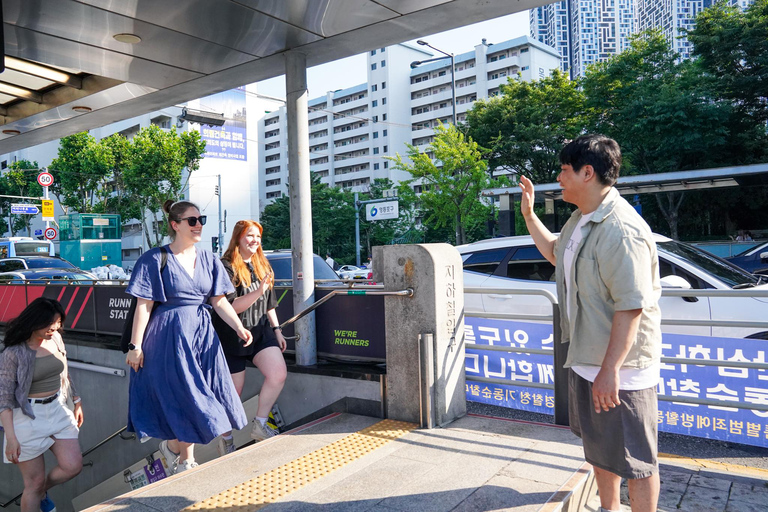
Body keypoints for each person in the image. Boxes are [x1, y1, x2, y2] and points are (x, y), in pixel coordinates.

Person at [519, 135, 661, 512]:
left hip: (621, 372)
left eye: (565, 171)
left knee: (637, 460)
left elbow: (631, 308)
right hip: (588, 360)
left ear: (588, 172)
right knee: (600, 449)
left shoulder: (622, 229)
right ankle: (608, 508)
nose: (559, 178)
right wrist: (530, 216)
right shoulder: (580, 219)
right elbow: (554, 252)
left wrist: (610, 370)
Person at [125, 200, 253, 475]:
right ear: (175, 225)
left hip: (203, 334)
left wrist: (238, 327)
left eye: (201, 219)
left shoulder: (208, 258)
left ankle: (175, 450)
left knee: (207, 392)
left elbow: (219, 300)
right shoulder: (154, 259)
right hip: (169, 335)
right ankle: (186, 459)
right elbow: (144, 305)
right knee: (188, 395)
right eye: (192, 220)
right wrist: (135, 346)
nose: (198, 225)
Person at [1, 298, 84, 512]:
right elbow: (4, 397)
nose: (55, 328)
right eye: (51, 323)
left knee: (72, 465)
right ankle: (37, 492)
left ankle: (41, 491)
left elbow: (65, 370)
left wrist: (76, 400)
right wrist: (11, 438)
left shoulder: (55, 339)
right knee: (33, 484)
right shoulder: (13, 353)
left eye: (58, 322)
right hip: (26, 416)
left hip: (57, 409)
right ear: (35, 321)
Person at [212, 220, 287, 455]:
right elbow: (231, 306)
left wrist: (277, 330)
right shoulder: (225, 266)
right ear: (238, 238)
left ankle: (260, 425)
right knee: (234, 392)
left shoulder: (262, 264)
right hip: (232, 334)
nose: (254, 241)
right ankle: (225, 438)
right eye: (249, 236)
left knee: (278, 374)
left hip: (261, 331)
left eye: (258, 236)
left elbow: (269, 304)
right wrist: (258, 291)